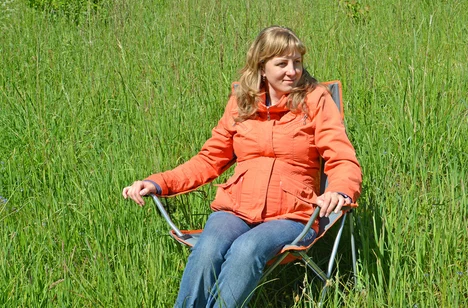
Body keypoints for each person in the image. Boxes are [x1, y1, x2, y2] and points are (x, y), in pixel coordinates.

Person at [122, 26, 362, 308]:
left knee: (247, 248)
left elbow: (342, 157)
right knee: (208, 247)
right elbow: (209, 159)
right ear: (261, 67)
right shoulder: (241, 103)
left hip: (293, 215)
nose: (292, 71)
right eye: (282, 63)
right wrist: (158, 182)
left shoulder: (315, 100)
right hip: (236, 208)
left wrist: (341, 192)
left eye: (297, 62)